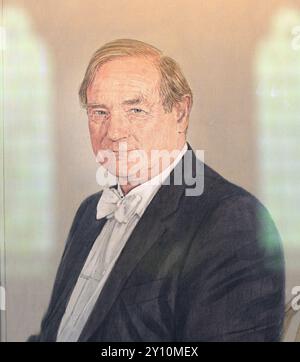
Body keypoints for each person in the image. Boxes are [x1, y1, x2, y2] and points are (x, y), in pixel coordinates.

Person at [28, 39, 285, 342]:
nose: (114, 132)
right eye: (99, 112)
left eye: (135, 109)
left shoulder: (233, 221)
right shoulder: (89, 213)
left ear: (180, 113)